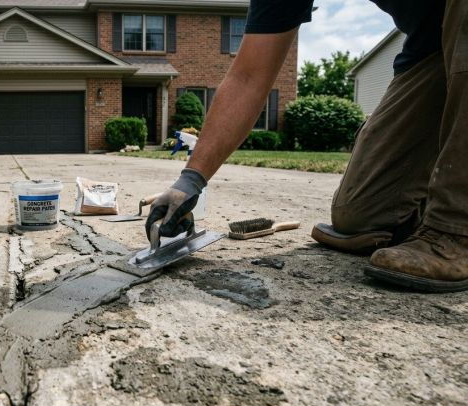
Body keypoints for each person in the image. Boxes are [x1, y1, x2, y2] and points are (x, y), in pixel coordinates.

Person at [146, 0, 466, 292]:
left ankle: (455, 229)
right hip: (432, 46)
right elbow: (248, 76)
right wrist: (191, 179)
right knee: (360, 219)